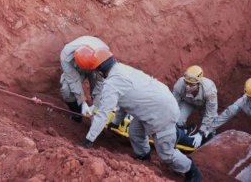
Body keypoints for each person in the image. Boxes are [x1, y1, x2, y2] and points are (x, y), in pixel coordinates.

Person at [77, 47, 203, 182]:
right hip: (158, 105)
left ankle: (191, 170)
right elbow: (124, 104)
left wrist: (88, 140)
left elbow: (102, 115)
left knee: (166, 154)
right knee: (135, 130)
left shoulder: (112, 85)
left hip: (162, 113)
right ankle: (143, 157)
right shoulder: (121, 69)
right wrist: (115, 123)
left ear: (99, 71)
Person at [60, 36, 109, 122]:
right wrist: (83, 103)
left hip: (96, 64)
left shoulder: (103, 56)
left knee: (101, 94)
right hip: (78, 67)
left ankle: (98, 118)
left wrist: (96, 106)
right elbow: (73, 81)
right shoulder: (66, 56)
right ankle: (77, 115)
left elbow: (100, 84)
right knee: (66, 90)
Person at [172, 65, 218, 147]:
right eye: (186, 83)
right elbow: (172, 104)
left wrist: (201, 133)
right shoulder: (180, 84)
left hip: (204, 105)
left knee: (210, 129)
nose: (187, 86)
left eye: (191, 84)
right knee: (178, 120)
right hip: (188, 102)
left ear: (198, 84)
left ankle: (210, 143)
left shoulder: (209, 91)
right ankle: (185, 131)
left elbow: (210, 113)